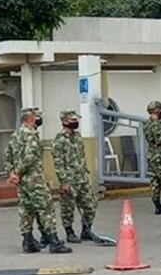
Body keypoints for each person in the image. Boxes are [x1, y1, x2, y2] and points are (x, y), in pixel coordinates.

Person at [5, 107, 72, 254]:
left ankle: (28, 241)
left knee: (26, 209)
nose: (39, 119)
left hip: (22, 182)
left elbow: (8, 155)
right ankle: (54, 242)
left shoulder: (16, 135)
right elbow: (30, 157)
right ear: (30, 119)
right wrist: (17, 173)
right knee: (46, 208)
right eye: (37, 117)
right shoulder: (31, 135)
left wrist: (12, 173)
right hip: (34, 179)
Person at [52, 110, 100, 243]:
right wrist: (64, 181)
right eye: (72, 120)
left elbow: (81, 156)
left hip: (82, 178)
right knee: (68, 208)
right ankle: (69, 232)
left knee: (90, 204)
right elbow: (58, 162)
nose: (75, 122)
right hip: (69, 179)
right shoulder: (59, 140)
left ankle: (86, 230)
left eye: (76, 120)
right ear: (64, 121)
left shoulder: (78, 137)